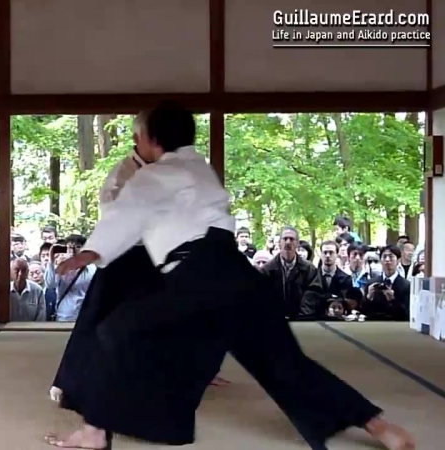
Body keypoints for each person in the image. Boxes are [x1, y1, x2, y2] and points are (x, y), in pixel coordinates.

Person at [45, 103, 413, 450]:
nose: (135, 144)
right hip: (237, 273)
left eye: (138, 136)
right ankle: (379, 426)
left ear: (153, 140)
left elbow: (124, 214)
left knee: (115, 330)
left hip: (196, 274)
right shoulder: (199, 167)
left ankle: (94, 431)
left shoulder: (155, 174)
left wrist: (89, 253)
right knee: (284, 362)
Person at [49, 112, 228, 410]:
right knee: (103, 321)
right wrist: (92, 251)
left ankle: (194, 373)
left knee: (195, 317)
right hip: (127, 254)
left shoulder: (187, 167)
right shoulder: (126, 171)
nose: (136, 141)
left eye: (140, 136)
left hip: (170, 256)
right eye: (136, 137)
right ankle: (75, 385)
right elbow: (116, 214)